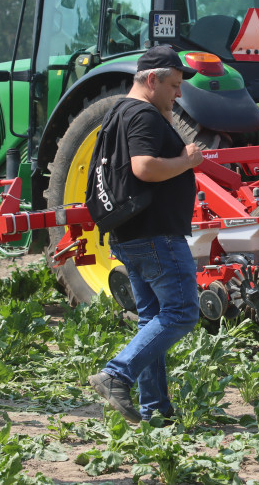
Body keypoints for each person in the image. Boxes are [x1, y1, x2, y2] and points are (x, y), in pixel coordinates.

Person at [88, 45, 204, 423]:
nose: (179, 93)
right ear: (151, 79)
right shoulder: (144, 115)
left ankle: (155, 408)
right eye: (174, 84)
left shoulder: (117, 113)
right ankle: (116, 374)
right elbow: (144, 168)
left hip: (130, 234)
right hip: (156, 235)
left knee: (151, 316)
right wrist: (186, 161)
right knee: (183, 312)